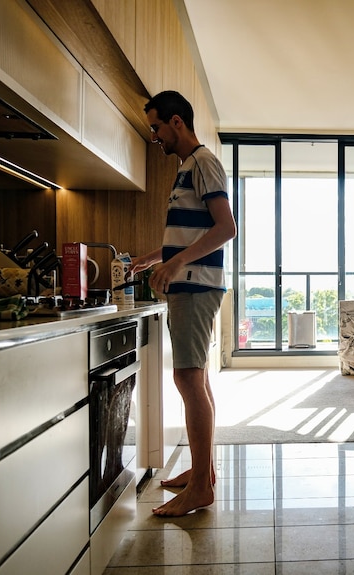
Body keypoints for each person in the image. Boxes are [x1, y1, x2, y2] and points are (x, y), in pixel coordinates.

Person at [129, 90, 236, 516]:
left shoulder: (204, 162)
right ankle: (201, 474)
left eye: (156, 127)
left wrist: (174, 265)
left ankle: (200, 489)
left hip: (195, 285)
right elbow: (190, 234)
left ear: (177, 122)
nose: (154, 136)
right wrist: (152, 258)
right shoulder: (187, 169)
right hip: (188, 284)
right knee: (197, 379)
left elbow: (226, 227)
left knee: (188, 381)